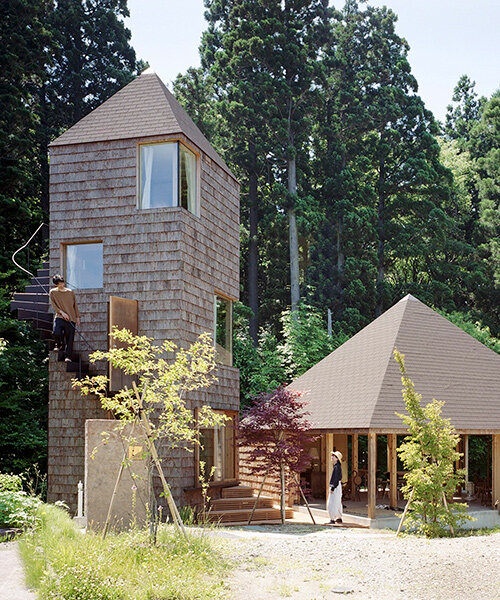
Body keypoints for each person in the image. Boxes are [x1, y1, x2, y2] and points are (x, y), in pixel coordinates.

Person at [49, 274, 80, 362]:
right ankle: (59, 344)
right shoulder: (53, 292)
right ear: (56, 284)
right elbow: (54, 306)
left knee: (70, 338)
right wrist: (62, 313)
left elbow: (75, 305)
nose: (61, 285)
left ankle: (68, 356)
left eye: (62, 283)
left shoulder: (70, 292)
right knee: (56, 332)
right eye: (59, 284)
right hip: (59, 316)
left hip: (71, 318)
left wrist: (77, 317)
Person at [328, 450, 343, 524]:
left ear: (337, 458)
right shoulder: (337, 466)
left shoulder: (337, 467)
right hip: (337, 485)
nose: (332, 457)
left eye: (334, 456)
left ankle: (332, 519)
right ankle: (339, 517)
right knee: (337, 501)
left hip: (336, 486)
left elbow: (336, 478)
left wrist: (333, 487)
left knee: (332, 502)